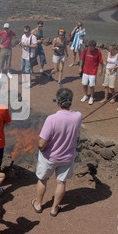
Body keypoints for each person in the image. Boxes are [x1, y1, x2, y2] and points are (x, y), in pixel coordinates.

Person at [32, 88, 82, 217]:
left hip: (50, 156)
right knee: (61, 182)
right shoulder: (78, 116)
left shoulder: (51, 119)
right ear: (70, 102)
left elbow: (41, 143)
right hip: (67, 157)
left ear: (58, 101)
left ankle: (38, 204)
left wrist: (41, 149)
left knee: (43, 179)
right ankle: (54, 209)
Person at [79, 40, 104, 105]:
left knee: (91, 85)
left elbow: (101, 62)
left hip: (93, 71)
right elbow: (81, 60)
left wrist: (100, 70)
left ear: (94, 47)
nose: (90, 48)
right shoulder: (85, 50)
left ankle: (92, 97)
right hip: (85, 70)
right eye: (89, 46)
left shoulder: (98, 52)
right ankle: (85, 95)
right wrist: (80, 68)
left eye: (91, 47)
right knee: (84, 84)